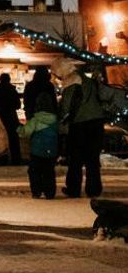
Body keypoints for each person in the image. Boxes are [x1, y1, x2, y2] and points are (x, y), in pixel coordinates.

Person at [59, 65, 108, 198]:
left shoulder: (72, 84)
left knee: (76, 159)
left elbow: (66, 106)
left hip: (79, 124)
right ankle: (94, 189)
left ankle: (73, 188)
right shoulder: (92, 83)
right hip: (96, 122)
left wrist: (62, 120)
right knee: (92, 159)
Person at [19, 86, 59, 199]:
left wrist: (19, 129)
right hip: (51, 150)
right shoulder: (55, 119)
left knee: (35, 171)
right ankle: (49, 191)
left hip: (37, 150)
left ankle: (36, 191)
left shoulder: (35, 119)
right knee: (49, 172)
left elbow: (25, 132)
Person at [0, 72, 23, 164]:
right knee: (13, 139)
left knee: (1, 139)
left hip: (0, 117)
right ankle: (16, 159)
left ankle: (2, 159)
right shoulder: (12, 90)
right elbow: (17, 105)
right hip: (11, 117)